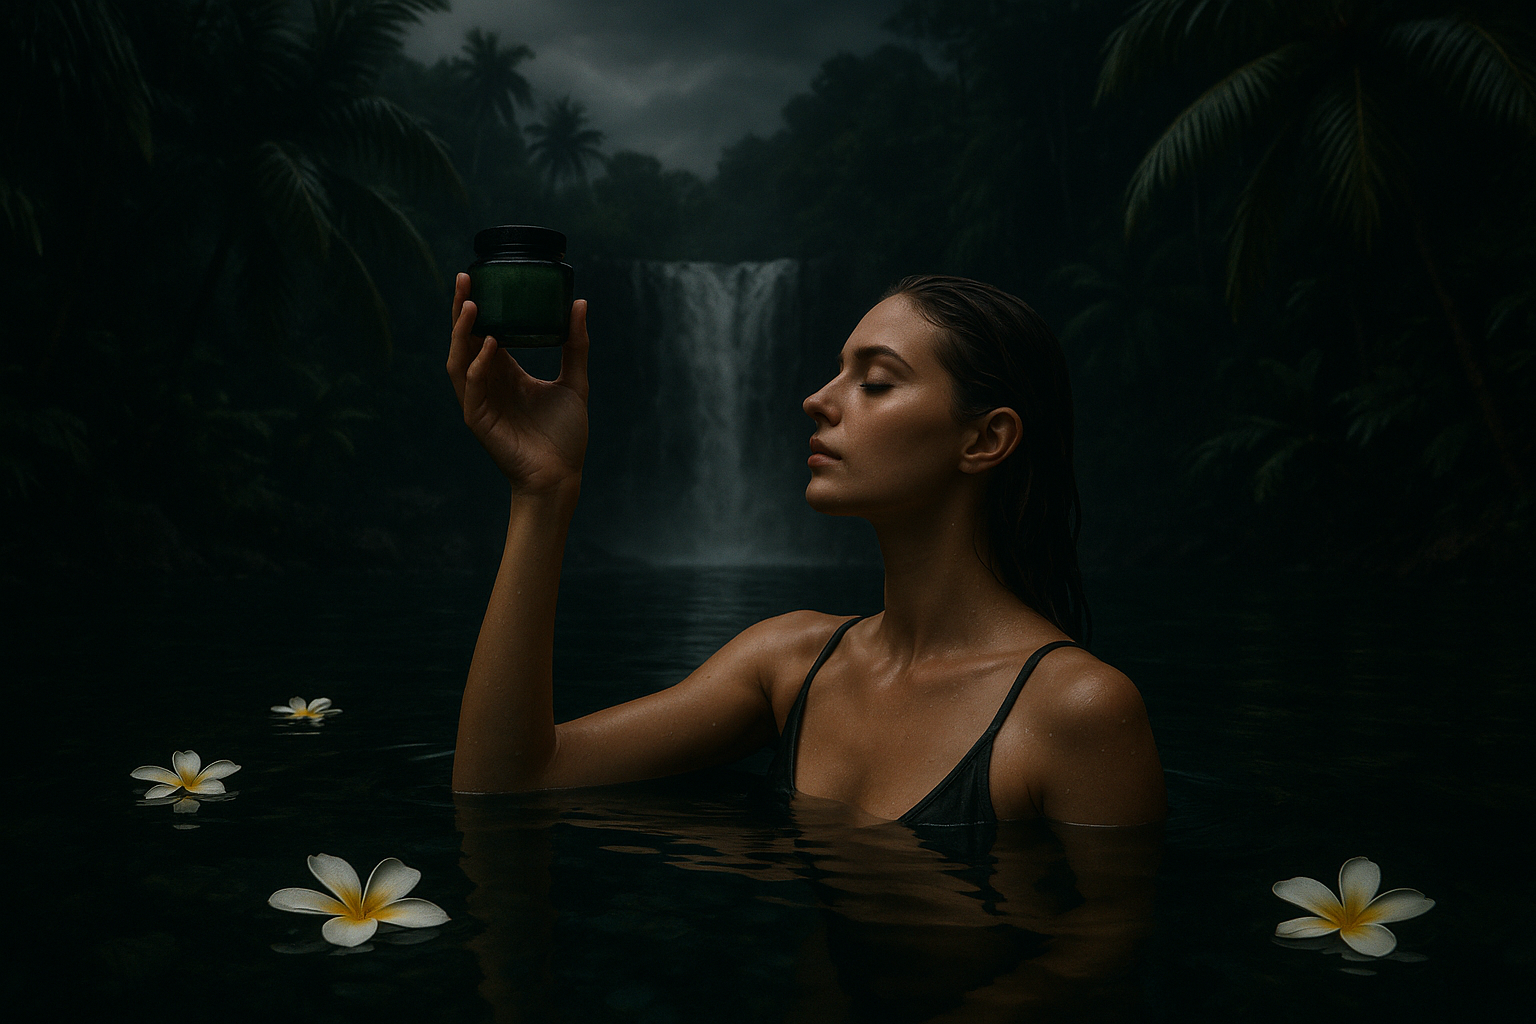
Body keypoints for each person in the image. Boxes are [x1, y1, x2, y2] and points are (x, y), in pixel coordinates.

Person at [445, 272, 1165, 827]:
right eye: (836, 371)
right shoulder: (787, 664)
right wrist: (543, 492)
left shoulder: (1078, 709)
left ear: (985, 439)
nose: (817, 399)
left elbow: (1093, 968)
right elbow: (508, 779)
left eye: (875, 382)